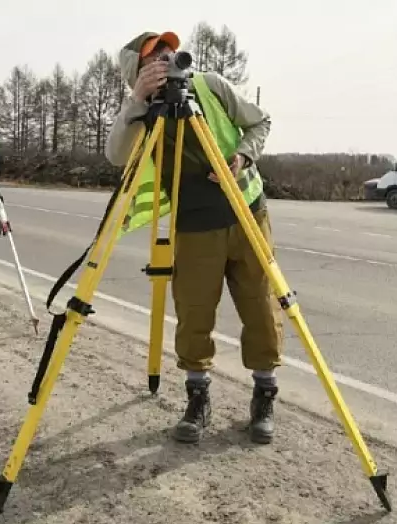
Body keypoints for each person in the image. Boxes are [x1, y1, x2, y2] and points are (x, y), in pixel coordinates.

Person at [105, 31, 285, 444]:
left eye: (169, 52)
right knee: (194, 314)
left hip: (247, 213)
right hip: (194, 223)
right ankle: (197, 399)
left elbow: (261, 120)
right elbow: (117, 155)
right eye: (155, 58)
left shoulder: (209, 84)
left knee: (260, 307)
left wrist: (243, 156)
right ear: (138, 72)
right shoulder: (141, 110)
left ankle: (264, 395)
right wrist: (137, 100)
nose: (166, 60)